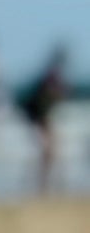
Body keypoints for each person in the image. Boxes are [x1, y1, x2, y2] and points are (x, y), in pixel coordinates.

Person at [18, 46, 70, 193]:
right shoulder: (51, 76)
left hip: (40, 117)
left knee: (48, 150)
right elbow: (52, 96)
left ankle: (44, 183)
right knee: (48, 150)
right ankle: (43, 184)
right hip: (40, 117)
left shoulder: (49, 75)